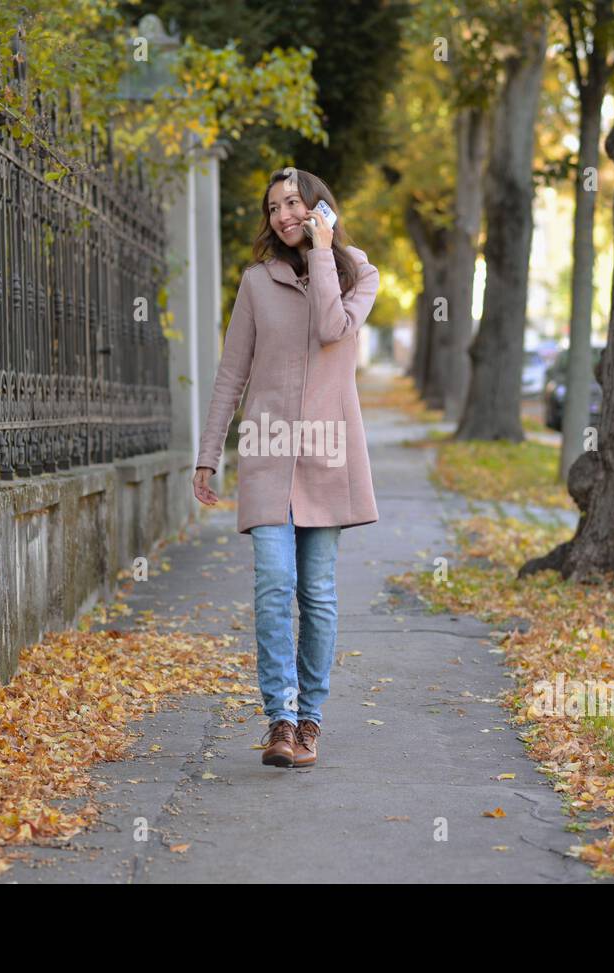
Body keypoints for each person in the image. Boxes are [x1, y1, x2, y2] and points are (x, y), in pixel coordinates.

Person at [193, 166, 380, 769]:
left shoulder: (360, 274)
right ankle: (279, 716)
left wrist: (326, 252)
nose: (283, 216)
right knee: (275, 585)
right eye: (274, 207)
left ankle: (310, 723)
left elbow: (332, 327)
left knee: (318, 594)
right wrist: (208, 454)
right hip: (269, 450)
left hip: (328, 452)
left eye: (294, 203)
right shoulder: (255, 282)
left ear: (320, 207)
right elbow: (231, 373)